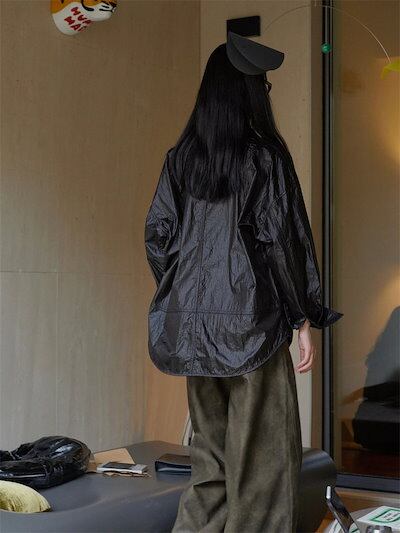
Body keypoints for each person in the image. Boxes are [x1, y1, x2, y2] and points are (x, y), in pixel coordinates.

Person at [144, 32, 343, 533]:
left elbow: (158, 239)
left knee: (209, 470)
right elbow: (284, 242)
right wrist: (303, 317)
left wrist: (185, 299)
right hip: (254, 332)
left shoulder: (181, 158)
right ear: (248, 93)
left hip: (192, 336)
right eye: (263, 86)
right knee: (263, 474)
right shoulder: (265, 158)